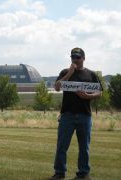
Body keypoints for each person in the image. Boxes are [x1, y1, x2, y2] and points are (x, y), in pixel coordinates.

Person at [49, 47, 102, 180]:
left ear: (83, 58)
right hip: (67, 115)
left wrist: (87, 96)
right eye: (73, 57)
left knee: (84, 147)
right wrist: (69, 73)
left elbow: (99, 92)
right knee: (62, 145)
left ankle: (83, 173)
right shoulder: (65, 72)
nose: (75, 59)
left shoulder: (91, 74)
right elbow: (56, 88)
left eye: (78, 57)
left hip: (85, 115)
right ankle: (59, 172)